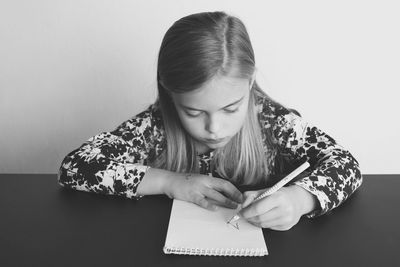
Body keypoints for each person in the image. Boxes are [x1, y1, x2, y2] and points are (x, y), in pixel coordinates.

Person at [58, 11, 362, 231]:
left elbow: (346, 164)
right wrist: (170, 182)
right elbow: (75, 167)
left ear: (250, 81)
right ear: (169, 92)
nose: (214, 128)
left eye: (231, 108)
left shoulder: (274, 122)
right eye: (192, 112)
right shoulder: (154, 126)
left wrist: (299, 199)